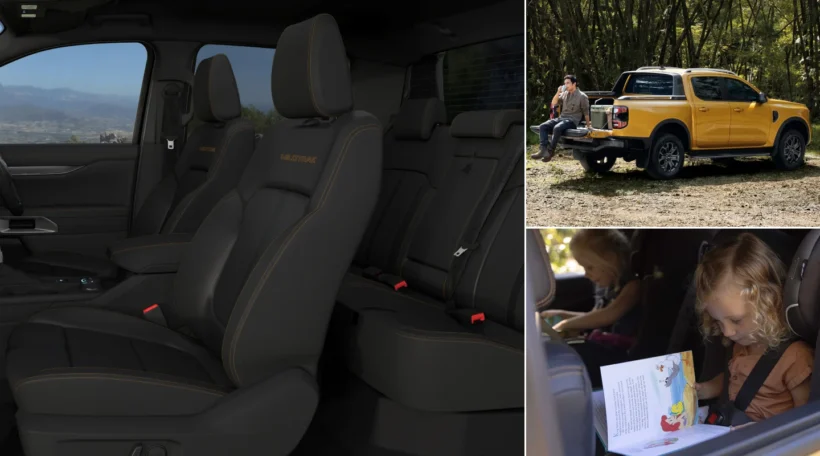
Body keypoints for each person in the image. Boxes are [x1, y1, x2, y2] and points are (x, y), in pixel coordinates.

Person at [694, 233, 813, 423]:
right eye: (718, 322)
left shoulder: (796, 358)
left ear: (767, 303)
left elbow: (803, 424)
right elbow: (733, 381)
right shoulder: (743, 344)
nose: (727, 332)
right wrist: (706, 389)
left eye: (736, 320)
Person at [540, 229, 641, 387]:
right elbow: (595, 316)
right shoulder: (610, 288)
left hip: (624, 355)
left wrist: (565, 324)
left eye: (590, 267)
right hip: (609, 347)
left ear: (610, 259)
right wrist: (562, 314)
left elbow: (608, 315)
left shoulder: (633, 287)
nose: (586, 274)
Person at [532, 74, 592, 162]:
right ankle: (543, 149)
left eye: (568, 83)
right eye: (565, 83)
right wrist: (558, 92)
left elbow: (586, 113)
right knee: (543, 126)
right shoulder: (565, 94)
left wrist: (588, 125)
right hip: (562, 118)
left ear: (574, 83)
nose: (566, 85)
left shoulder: (582, 96)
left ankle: (551, 151)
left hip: (572, 121)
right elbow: (554, 102)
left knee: (557, 128)